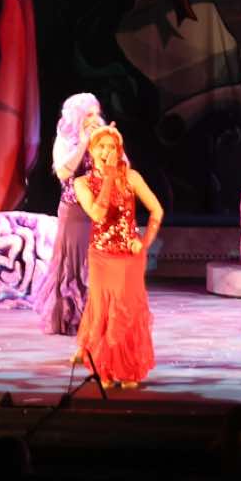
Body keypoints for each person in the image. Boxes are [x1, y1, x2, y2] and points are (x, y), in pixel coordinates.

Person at [73, 125, 162, 387]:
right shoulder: (82, 183)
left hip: (128, 258)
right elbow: (98, 214)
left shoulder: (131, 177)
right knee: (103, 312)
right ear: (91, 150)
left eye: (111, 147)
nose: (106, 151)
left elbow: (157, 211)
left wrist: (144, 243)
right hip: (101, 256)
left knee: (126, 313)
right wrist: (109, 177)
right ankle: (105, 369)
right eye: (101, 146)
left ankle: (128, 369)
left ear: (119, 150)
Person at [35, 92, 105, 340]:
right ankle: (72, 317)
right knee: (74, 264)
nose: (94, 119)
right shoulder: (64, 139)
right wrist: (83, 144)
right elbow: (64, 174)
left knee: (99, 265)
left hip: (99, 211)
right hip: (74, 212)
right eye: (89, 114)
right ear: (77, 117)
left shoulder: (103, 136)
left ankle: (99, 317)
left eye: (97, 113)